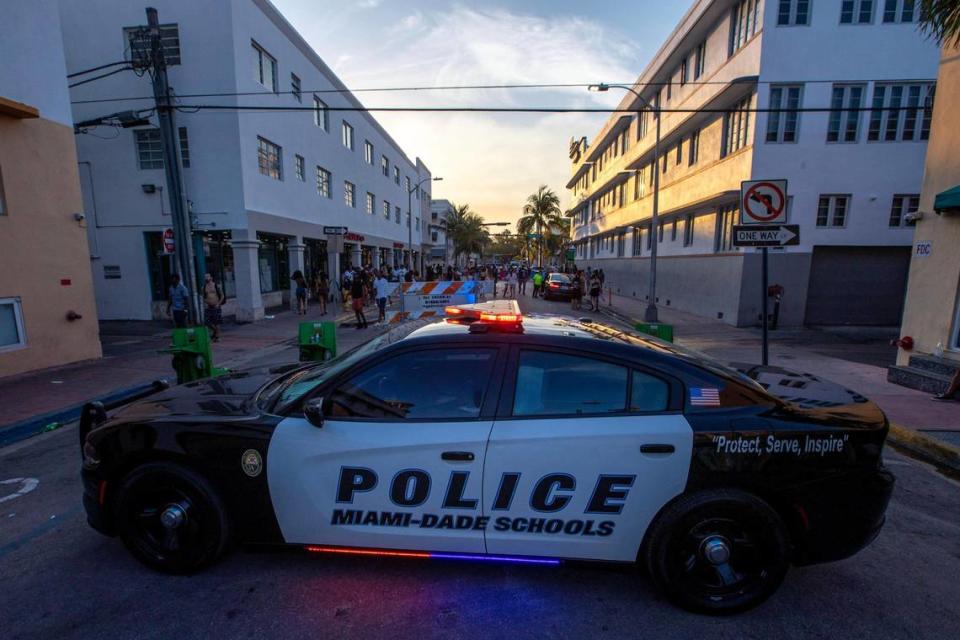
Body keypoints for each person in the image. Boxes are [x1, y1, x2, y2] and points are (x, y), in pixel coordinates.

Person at [201, 273, 225, 341]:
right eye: (205, 277)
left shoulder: (216, 286)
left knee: (216, 321)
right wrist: (205, 303)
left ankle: (217, 337)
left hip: (216, 305)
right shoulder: (204, 287)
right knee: (207, 321)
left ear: (211, 277)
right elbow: (203, 297)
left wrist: (218, 303)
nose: (206, 278)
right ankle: (215, 331)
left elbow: (222, 296)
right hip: (208, 306)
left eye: (208, 276)